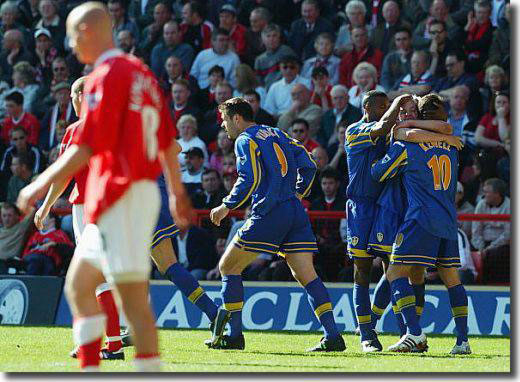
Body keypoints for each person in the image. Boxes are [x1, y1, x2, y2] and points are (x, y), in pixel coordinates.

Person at [17, 2, 193, 372]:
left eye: (71, 33)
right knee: (96, 290)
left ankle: (103, 368)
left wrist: (38, 184)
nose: (70, 42)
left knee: (98, 291)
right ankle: (105, 367)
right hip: (136, 195)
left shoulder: (104, 77)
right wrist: (176, 192)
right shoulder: (142, 74)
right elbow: (166, 141)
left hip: (118, 197)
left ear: (89, 31)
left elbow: (86, 146)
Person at [207, 97, 345, 352]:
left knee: (228, 267)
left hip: (268, 212)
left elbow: (250, 176)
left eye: (225, 120)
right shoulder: (277, 133)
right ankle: (333, 335)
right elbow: (309, 163)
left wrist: (227, 205)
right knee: (306, 275)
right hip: (294, 211)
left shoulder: (245, 139)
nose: (225, 127)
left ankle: (234, 335)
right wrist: (298, 194)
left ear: (237, 118)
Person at [371, 94, 470, 355]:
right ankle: (462, 341)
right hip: (448, 219)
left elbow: (380, 173)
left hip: (420, 218)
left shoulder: (407, 145)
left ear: (420, 116)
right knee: (451, 278)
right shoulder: (452, 146)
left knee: (394, 273)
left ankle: (413, 333)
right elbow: (445, 132)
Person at [344, 90, 412, 352]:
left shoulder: (388, 137)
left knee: (392, 269)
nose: (389, 112)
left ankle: (404, 333)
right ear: (368, 107)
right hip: (360, 207)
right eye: (383, 107)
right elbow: (384, 124)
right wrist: (400, 100)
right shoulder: (355, 130)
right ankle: (366, 336)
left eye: (389, 107)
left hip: (385, 207)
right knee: (362, 270)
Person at [471, 177, 510, 284]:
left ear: (497, 194)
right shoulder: (481, 204)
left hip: (501, 245)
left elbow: (507, 235)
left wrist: (489, 249)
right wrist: (481, 248)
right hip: (481, 243)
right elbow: (476, 230)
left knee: (498, 254)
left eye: (487, 192)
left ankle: (495, 286)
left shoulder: (510, 206)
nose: (484, 195)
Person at [0, 202, 34, 274]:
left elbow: (33, 210)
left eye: (10, 215)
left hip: (9, 263)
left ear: (16, 216)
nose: (6, 219)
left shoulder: (21, 227)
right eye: (4, 215)